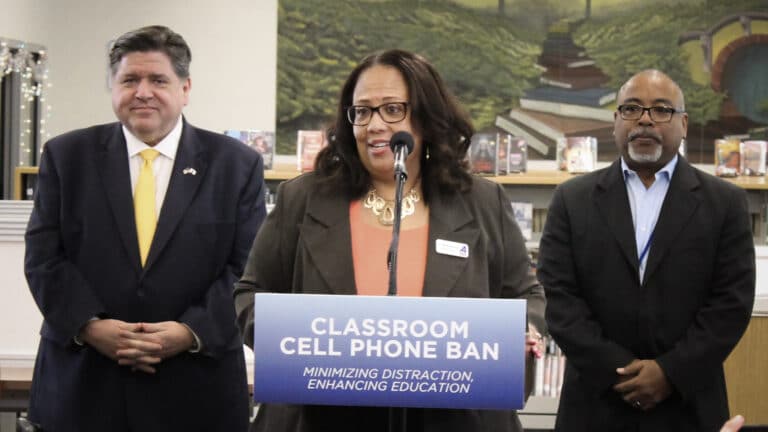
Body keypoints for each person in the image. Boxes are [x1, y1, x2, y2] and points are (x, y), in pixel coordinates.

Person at [233, 49, 545, 432]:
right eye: (362, 111)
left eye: (392, 109)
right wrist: (291, 340)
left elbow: (527, 296)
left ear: (427, 117)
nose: (374, 125)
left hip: (458, 418)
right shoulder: (303, 198)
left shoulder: (482, 201)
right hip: (321, 417)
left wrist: (523, 332)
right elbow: (250, 293)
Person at [24, 25, 265, 431]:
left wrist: (190, 332)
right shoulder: (66, 157)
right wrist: (90, 326)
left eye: (158, 80)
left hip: (195, 389)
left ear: (185, 88)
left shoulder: (236, 165)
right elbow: (44, 258)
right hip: (84, 386)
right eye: (129, 79)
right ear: (112, 87)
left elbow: (247, 268)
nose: (143, 91)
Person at [537, 69, 755, 431]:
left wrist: (669, 373)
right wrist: (618, 372)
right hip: (595, 403)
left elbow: (731, 303)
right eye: (631, 109)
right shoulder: (572, 199)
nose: (644, 120)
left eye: (661, 110)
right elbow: (560, 298)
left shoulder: (725, 203)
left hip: (687, 404)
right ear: (615, 122)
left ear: (684, 124)